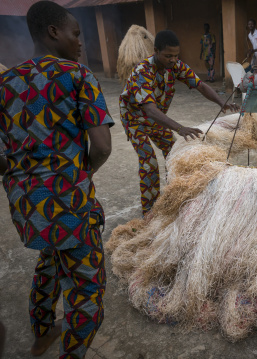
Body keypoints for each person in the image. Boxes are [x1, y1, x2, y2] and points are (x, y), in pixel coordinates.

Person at [0, 2, 114, 358]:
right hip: (70, 206)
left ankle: (43, 332)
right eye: (76, 34)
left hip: (29, 210)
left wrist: (23, 178)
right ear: (53, 32)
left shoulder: (4, 83)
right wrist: (77, 178)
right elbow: (102, 147)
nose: (80, 43)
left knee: (49, 259)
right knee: (87, 294)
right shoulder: (78, 76)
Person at [119, 30, 238, 216]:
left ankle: (173, 198)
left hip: (157, 119)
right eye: (168, 56)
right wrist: (180, 128)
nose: (173, 60)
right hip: (136, 121)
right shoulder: (142, 72)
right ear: (156, 51)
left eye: (176, 55)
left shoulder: (176, 66)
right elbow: (149, 110)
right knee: (149, 162)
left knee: (175, 155)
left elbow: (200, 85)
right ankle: (149, 213)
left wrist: (221, 102)